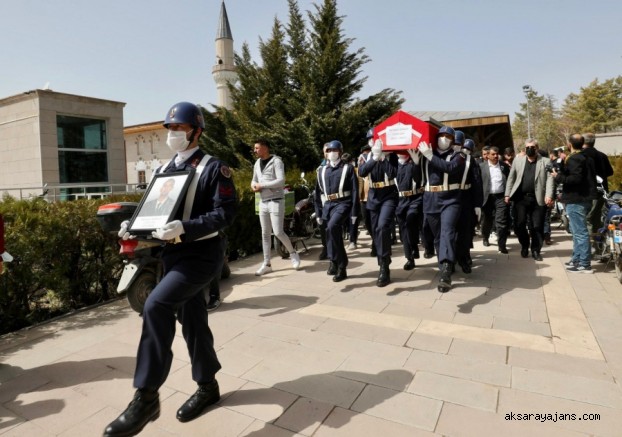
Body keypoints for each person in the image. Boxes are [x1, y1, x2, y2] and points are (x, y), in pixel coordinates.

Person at [104, 102, 237, 437]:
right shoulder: (164, 169)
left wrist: (186, 228)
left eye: (179, 128)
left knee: (156, 305)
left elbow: (225, 214)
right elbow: (155, 211)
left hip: (202, 255)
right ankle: (208, 386)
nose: (173, 134)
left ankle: (146, 396)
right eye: (170, 128)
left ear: (196, 131)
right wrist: (133, 226)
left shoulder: (213, 167)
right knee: (193, 320)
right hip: (174, 256)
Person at [416, 126, 466, 292]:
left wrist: (429, 156)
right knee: (438, 236)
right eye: (441, 135)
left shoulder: (458, 155)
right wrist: (415, 163)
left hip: (450, 199)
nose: (444, 139)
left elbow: (449, 168)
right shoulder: (425, 155)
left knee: (447, 231)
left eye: (448, 136)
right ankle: (444, 263)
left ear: (453, 140)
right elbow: (417, 178)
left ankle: (445, 271)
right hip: (431, 199)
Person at [251, 138, 301, 275]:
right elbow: (254, 179)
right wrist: (253, 185)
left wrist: (262, 185)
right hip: (263, 201)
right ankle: (267, 264)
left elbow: (281, 181)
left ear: (265, 148)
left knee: (278, 232)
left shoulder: (276, 161)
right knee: (265, 233)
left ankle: (293, 253)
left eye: (257, 148)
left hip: (276, 201)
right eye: (254, 148)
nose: (255, 150)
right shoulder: (257, 163)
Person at [314, 140, 359, 282]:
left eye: (334, 150)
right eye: (328, 151)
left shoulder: (347, 168)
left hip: (343, 203)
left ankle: (341, 266)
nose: (331, 153)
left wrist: (354, 212)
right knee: (328, 233)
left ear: (340, 152)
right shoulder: (322, 171)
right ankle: (333, 260)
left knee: (333, 227)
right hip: (328, 205)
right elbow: (317, 194)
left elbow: (355, 191)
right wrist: (318, 212)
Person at [552, 134, 597, 273]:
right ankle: (577, 259)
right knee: (577, 232)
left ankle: (584, 263)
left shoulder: (575, 158)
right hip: (584, 199)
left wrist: (558, 177)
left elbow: (575, 179)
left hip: (577, 199)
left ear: (569, 144)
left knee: (580, 232)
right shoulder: (586, 157)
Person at [504, 139, 554, 261]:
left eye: (532, 147)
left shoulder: (545, 161)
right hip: (521, 198)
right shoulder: (518, 160)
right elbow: (511, 178)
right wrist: (507, 194)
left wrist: (549, 195)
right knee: (519, 224)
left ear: (537, 148)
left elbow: (550, 179)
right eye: (527, 147)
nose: (530, 149)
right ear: (525, 149)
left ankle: (536, 250)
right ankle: (525, 245)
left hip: (538, 198)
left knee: (537, 226)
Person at [358, 138, 399, 287]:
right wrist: (374, 157)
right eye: (370, 139)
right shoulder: (366, 156)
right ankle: (384, 261)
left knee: (382, 227)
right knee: (376, 231)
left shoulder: (391, 156)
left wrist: (382, 158)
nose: (372, 142)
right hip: (374, 196)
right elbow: (362, 172)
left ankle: (384, 267)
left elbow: (393, 173)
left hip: (389, 194)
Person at [455, 139, 483, 273]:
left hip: (466, 198)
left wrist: (477, 204)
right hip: (449, 198)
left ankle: (464, 257)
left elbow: (477, 182)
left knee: (465, 231)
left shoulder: (471, 161)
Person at [394, 150, 423, 270]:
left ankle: (414, 244)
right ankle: (409, 258)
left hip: (414, 198)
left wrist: (416, 163)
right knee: (404, 230)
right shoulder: (393, 165)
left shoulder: (414, 162)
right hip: (400, 200)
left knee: (411, 221)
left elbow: (418, 178)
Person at [582, 132, 614, 238]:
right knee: (596, 217)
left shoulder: (582, 155)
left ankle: (591, 243)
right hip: (602, 191)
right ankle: (598, 241)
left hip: (589, 192)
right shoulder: (602, 155)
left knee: (588, 218)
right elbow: (610, 172)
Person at [480, 146, 510, 253]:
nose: (496, 156)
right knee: (487, 220)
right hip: (487, 198)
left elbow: (509, 180)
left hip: (500, 197)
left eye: (497, 154)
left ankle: (502, 245)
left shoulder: (504, 166)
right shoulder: (481, 167)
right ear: (487, 155)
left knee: (501, 221)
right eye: (493, 154)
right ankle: (485, 236)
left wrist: (508, 195)